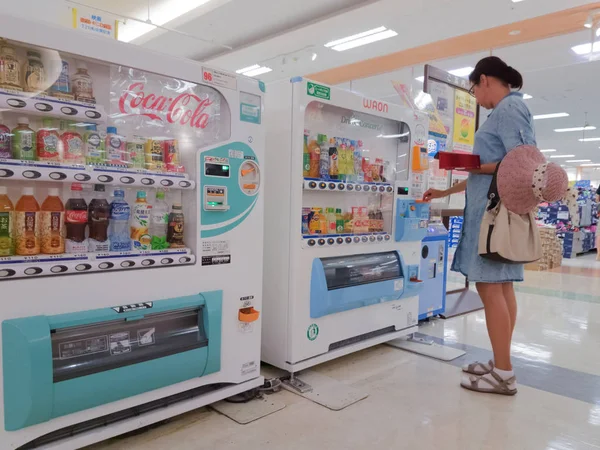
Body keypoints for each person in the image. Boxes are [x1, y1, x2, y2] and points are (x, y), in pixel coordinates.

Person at [423, 56, 536, 395]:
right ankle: (501, 361)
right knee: (501, 288)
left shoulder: (508, 110)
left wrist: (474, 165)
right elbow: (488, 168)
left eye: (473, 89)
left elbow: (521, 162)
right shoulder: (506, 111)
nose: (476, 96)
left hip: (494, 217)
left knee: (490, 288)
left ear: (484, 79)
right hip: (491, 209)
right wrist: (447, 188)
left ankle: (503, 373)